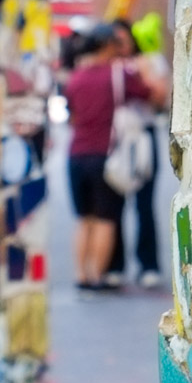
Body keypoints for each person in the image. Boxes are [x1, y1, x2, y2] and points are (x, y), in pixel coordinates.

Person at [64, 24, 163, 291]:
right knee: (106, 219)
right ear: (107, 46)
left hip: (75, 155)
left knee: (84, 219)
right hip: (105, 156)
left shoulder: (76, 77)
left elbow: (71, 116)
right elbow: (150, 95)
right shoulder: (118, 74)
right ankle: (97, 276)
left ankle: (80, 276)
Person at [105, 16, 171, 288]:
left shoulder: (151, 61)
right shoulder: (105, 66)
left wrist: (141, 72)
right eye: (113, 40)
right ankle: (115, 265)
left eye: (123, 39)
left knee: (145, 204)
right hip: (115, 138)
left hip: (143, 135)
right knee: (112, 203)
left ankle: (149, 265)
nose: (120, 45)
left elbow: (161, 98)